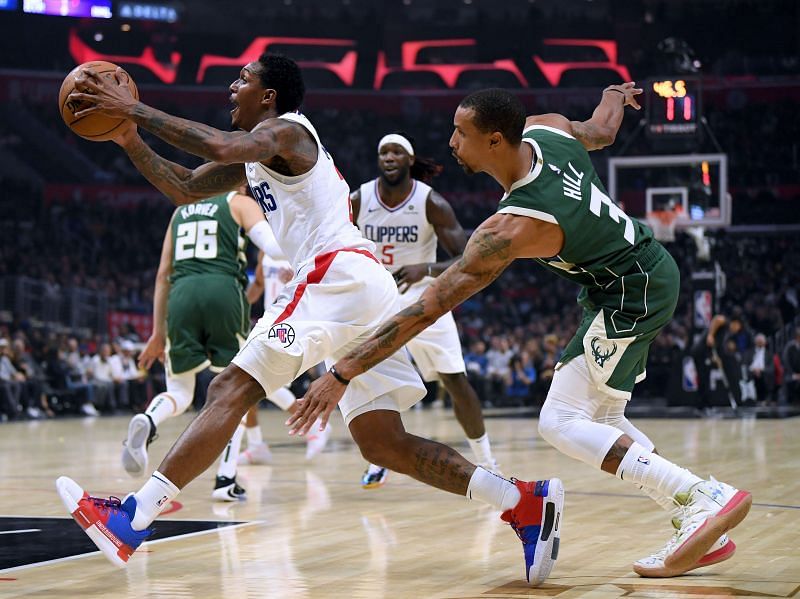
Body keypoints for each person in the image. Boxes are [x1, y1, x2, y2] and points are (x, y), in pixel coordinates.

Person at [56, 54, 562, 587]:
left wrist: (132, 107)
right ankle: (523, 502)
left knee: (231, 384)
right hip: (359, 288)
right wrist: (129, 138)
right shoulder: (257, 159)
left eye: (243, 80)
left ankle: (133, 518)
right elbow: (184, 186)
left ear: (269, 96)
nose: (232, 88)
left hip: (333, 276)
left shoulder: (290, 133)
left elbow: (221, 145)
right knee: (383, 443)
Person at [293, 84, 752, 579]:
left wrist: (342, 372)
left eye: (460, 133)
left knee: (560, 420)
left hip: (630, 291)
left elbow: (428, 307)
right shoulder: (547, 130)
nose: (450, 142)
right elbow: (601, 129)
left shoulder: (508, 228)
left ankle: (705, 499)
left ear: (495, 141)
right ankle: (698, 517)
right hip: (631, 279)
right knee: (602, 416)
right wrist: (615, 93)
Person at [351, 132, 500, 488]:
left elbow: (468, 259)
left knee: (455, 379)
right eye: (383, 152)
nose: (388, 157)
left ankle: (486, 460)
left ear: (409, 160)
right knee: (373, 381)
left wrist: (426, 268)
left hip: (424, 296)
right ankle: (382, 460)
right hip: (377, 299)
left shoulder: (430, 201)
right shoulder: (358, 199)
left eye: (396, 152)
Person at [121, 188, 284, 501]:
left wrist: (158, 333)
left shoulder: (179, 212)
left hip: (181, 297)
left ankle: (150, 419)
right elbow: (275, 249)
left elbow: (162, 275)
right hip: (222, 292)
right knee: (235, 393)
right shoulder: (239, 203)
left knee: (180, 391)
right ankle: (225, 478)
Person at [237, 239, 332, 466]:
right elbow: (259, 283)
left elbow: (322, 280)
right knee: (247, 378)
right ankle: (256, 445)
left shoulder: (299, 239)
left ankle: (314, 428)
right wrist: (238, 308)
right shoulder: (265, 247)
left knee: (256, 378)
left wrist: (300, 280)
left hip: (294, 320)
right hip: (271, 320)